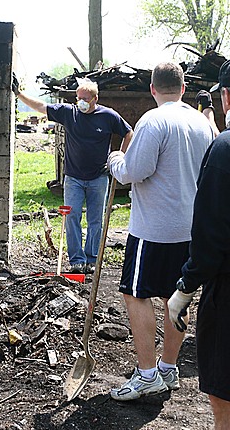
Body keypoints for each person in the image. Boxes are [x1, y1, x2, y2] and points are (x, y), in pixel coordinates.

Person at [106, 61, 214, 401]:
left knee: (135, 293)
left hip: (154, 229)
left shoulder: (153, 121)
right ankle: (169, 366)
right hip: (192, 230)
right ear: (183, 89)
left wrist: (114, 161)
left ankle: (148, 373)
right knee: (175, 296)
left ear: (152, 89)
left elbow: (134, 171)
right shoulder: (202, 123)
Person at [12, 76, 133, 274]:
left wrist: (120, 156)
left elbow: (129, 132)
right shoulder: (70, 113)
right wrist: (19, 94)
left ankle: (92, 258)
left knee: (96, 220)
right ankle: (77, 259)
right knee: (72, 217)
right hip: (73, 178)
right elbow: (42, 107)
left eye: (84, 98)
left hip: (99, 178)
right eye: (78, 98)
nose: (80, 102)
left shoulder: (108, 116)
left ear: (95, 98)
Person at [168, 60, 230, 429]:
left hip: (227, 292)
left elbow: (210, 235)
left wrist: (185, 287)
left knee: (224, 396)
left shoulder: (224, 151)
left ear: (226, 97)